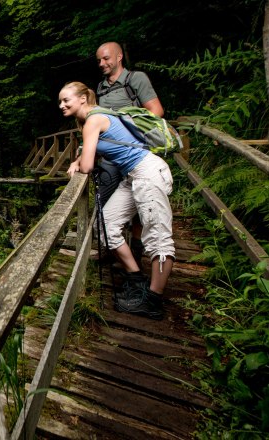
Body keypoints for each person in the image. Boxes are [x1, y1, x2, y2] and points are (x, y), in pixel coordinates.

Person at [60, 81, 174, 320]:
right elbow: (87, 149)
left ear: (82, 99)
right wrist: (76, 159)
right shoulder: (94, 117)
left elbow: (89, 165)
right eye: (60, 101)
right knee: (108, 224)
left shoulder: (93, 119)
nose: (62, 105)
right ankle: (136, 278)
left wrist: (79, 163)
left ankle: (153, 300)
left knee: (158, 236)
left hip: (147, 173)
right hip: (133, 176)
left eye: (66, 100)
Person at [95, 41, 164, 268]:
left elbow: (156, 111)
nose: (102, 63)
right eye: (99, 60)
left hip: (136, 153)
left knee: (137, 205)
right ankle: (111, 247)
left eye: (106, 58)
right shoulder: (101, 88)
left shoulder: (136, 80)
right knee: (106, 201)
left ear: (119, 57)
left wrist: (128, 127)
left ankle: (136, 249)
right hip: (109, 158)